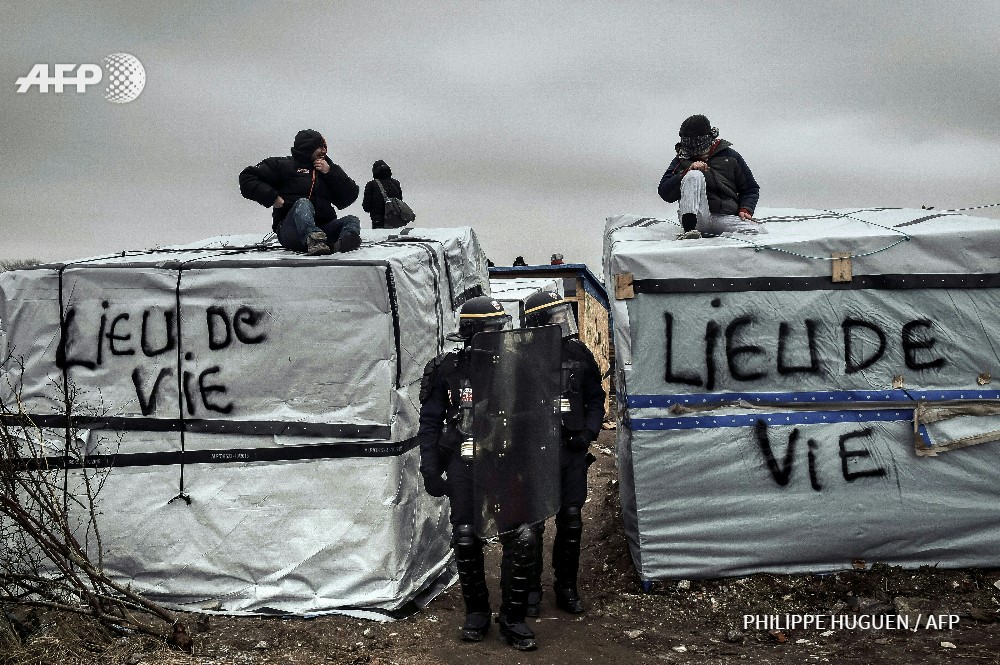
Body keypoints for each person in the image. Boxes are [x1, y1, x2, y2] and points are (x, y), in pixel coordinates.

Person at [418, 296, 540, 651]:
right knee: (467, 537)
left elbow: (538, 415)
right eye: (489, 330)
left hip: (506, 462)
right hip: (465, 463)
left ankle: (513, 618)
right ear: (471, 333)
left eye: (499, 329)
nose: (498, 336)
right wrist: (429, 466)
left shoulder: (517, 366)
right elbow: (429, 423)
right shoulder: (447, 369)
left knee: (521, 537)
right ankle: (477, 613)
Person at [521, 291, 605, 617]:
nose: (561, 322)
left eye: (561, 315)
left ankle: (566, 587)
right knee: (534, 525)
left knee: (570, 520)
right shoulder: (521, 357)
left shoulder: (579, 353)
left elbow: (595, 397)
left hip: (572, 453)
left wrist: (588, 433)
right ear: (538, 322)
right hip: (536, 454)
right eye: (554, 317)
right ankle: (530, 590)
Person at [239, 129, 362, 255]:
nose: (324, 151)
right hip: (291, 231)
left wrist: (332, 172)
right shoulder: (282, 165)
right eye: (320, 147)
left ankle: (341, 245)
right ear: (307, 148)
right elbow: (247, 178)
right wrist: (272, 198)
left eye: (325, 147)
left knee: (352, 220)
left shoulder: (327, 170)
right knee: (303, 203)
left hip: (323, 230)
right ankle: (314, 240)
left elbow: (350, 196)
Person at [657, 114, 762, 238]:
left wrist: (745, 209)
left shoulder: (730, 157)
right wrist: (685, 173)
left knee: (757, 232)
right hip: (697, 218)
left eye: (696, 143)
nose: (692, 148)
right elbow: (665, 192)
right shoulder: (681, 161)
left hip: (724, 217)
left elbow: (750, 188)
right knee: (694, 175)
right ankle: (689, 231)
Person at [361, 160, 404, 229]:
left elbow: (366, 207)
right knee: (394, 239)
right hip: (395, 221)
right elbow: (400, 202)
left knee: (379, 239)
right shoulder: (396, 183)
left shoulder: (371, 185)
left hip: (378, 222)